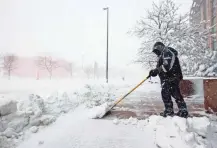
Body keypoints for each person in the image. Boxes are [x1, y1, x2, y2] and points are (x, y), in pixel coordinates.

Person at [149, 42, 189, 118]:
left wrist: (157, 70)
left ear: (160, 47)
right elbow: (162, 67)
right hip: (168, 78)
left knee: (172, 94)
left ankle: (178, 111)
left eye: (157, 51)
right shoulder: (164, 54)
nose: (156, 53)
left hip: (171, 77)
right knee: (170, 94)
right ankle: (175, 110)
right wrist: (154, 72)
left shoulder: (167, 52)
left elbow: (167, 66)